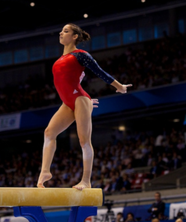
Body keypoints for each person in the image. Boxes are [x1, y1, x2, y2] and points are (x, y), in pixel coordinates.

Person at [36, 23, 132, 190]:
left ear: (74, 37)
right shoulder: (59, 60)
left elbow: (100, 72)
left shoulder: (81, 55)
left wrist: (119, 86)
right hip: (67, 103)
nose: (61, 32)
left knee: (83, 140)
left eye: (65, 31)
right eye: (61, 30)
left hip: (79, 99)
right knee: (49, 132)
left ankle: (86, 180)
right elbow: (69, 80)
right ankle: (45, 171)